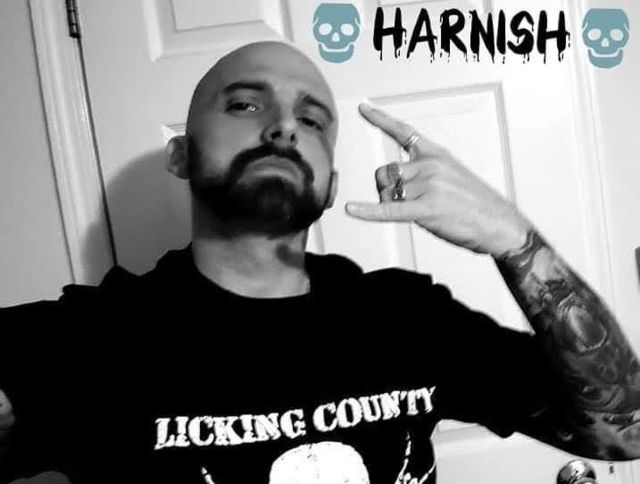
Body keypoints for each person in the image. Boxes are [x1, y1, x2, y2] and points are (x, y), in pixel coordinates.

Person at [1, 40, 639, 484]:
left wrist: (512, 238)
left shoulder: (407, 317)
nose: (284, 127)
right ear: (181, 154)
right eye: (245, 104)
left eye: (312, 120)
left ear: (331, 186)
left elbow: (626, 434)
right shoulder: (91, 338)